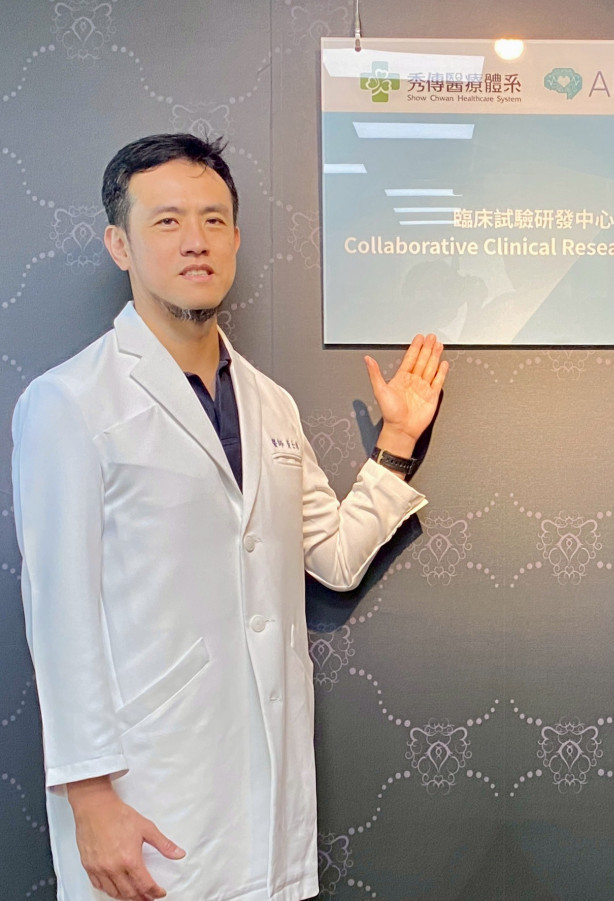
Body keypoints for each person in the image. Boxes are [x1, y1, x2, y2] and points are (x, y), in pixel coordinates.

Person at [12, 133, 449, 901]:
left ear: (237, 239)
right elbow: (59, 613)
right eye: (167, 221)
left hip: (266, 793)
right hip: (145, 794)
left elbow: (333, 556)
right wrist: (89, 797)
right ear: (120, 244)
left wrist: (398, 441)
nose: (196, 241)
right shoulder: (69, 401)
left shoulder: (269, 401)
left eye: (214, 220)